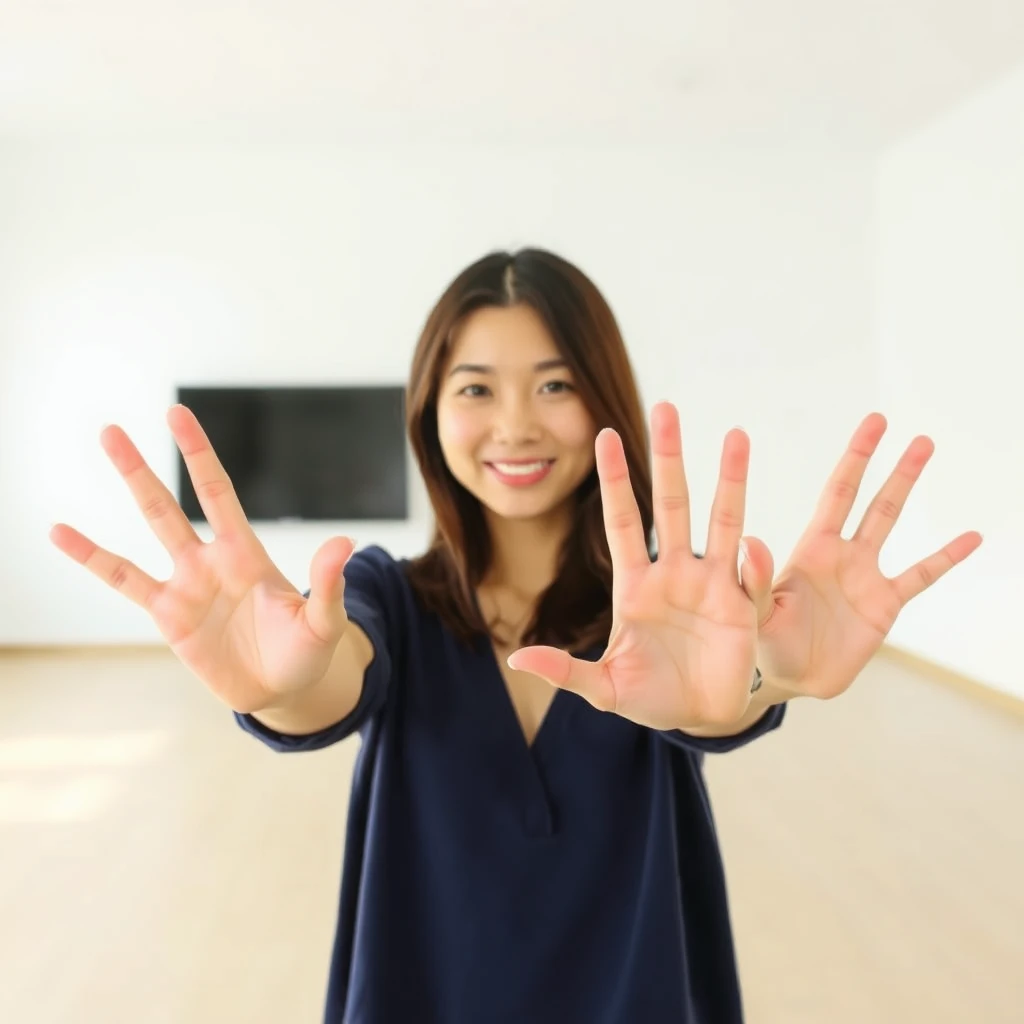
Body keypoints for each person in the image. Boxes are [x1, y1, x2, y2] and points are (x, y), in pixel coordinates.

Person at [50, 248, 982, 1023]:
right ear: (429, 410)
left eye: (555, 383)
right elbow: (334, 677)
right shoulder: (389, 597)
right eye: (476, 388)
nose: (516, 425)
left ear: (604, 398)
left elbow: (718, 698)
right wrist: (275, 687)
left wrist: (771, 673)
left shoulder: (668, 605)